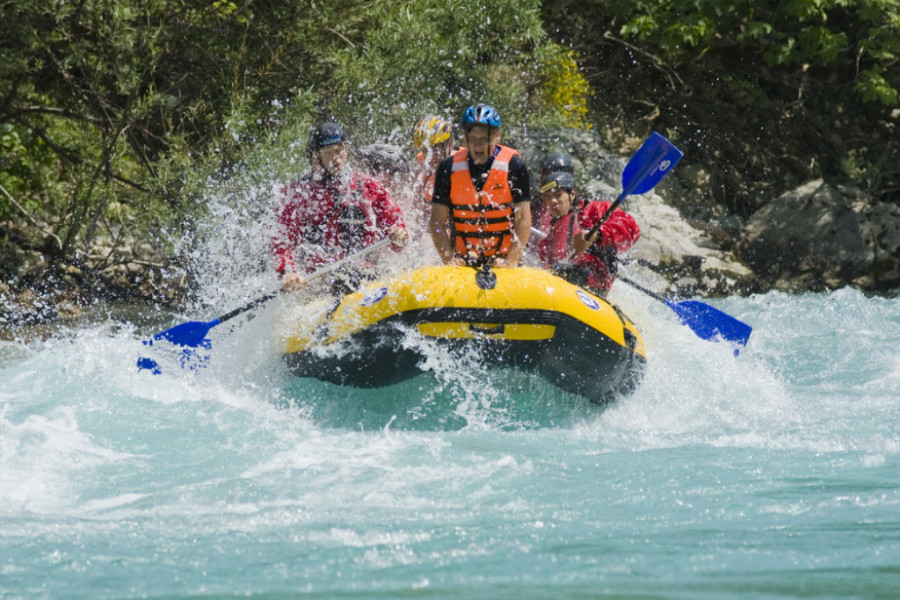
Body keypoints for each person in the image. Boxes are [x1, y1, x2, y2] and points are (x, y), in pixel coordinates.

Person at [271, 121, 409, 294]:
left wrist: (398, 233)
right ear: (317, 157)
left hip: (364, 274)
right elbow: (281, 240)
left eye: (339, 151)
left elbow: (395, 222)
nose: (335, 159)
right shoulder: (301, 194)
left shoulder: (368, 186)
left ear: (347, 149)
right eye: (328, 153)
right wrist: (288, 272)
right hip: (321, 282)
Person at [427, 103, 532, 268]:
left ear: (497, 135)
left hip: (503, 259)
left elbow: (524, 220)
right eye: (473, 139)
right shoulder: (448, 168)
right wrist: (448, 260)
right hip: (463, 261)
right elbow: (436, 221)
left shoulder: (514, 166)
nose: (478, 145)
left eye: (484, 139)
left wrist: (510, 262)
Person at [536, 156, 641, 297]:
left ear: (572, 194)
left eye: (558, 195)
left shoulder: (595, 210)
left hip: (591, 292)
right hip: (561, 293)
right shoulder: (550, 238)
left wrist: (597, 234)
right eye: (548, 198)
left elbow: (631, 228)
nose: (553, 201)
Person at [412, 116, 454, 204]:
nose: (430, 157)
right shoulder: (419, 164)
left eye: (435, 149)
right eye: (425, 150)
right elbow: (415, 206)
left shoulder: (464, 164)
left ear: (450, 145)